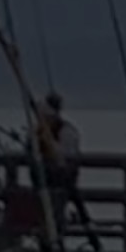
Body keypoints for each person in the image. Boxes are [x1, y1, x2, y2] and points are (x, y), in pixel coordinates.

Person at [34, 92, 80, 227]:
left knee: (55, 215)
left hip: (62, 181)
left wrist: (49, 142)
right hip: (42, 181)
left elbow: (67, 157)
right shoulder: (38, 131)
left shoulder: (67, 132)